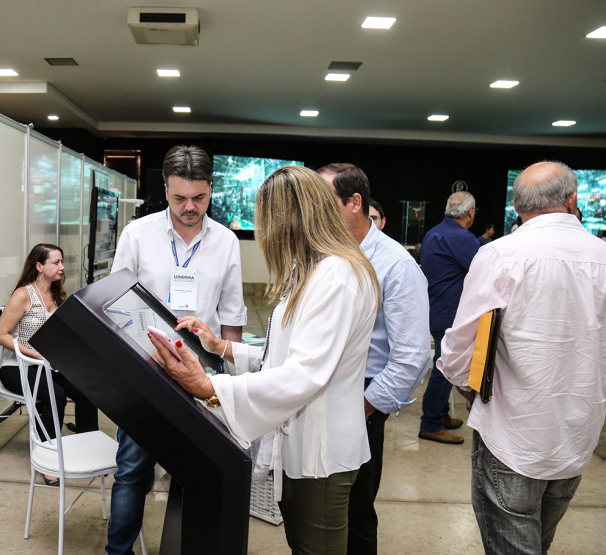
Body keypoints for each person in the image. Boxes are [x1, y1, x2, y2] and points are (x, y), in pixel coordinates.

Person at [155, 165, 380, 553]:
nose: (264, 235)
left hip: (320, 452)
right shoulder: (313, 269)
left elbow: (305, 373)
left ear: (289, 220)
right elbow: (287, 353)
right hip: (303, 443)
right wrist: (221, 347)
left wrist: (211, 387)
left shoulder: (336, 275)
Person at [438, 161, 606, 554]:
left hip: (514, 432)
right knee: (538, 540)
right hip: (578, 431)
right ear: (573, 200)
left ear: (518, 206)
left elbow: (459, 348)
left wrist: (467, 389)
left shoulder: (501, 254)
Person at [105, 145, 247, 555]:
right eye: (179, 197)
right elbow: (115, 303)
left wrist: (230, 385)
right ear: (164, 188)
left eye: (199, 198)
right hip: (144, 371)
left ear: (210, 190)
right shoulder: (138, 234)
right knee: (132, 470)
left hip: (202, 374)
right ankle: (119, 552)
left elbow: (233, 318)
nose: (189, 207)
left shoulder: (226, 241)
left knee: (201, 470)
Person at [317, 163, 430, 554]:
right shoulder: (321, 252)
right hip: (317, 390)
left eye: (323, 201)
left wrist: (365, 408)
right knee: (321, 511)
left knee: (355, 513)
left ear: (354, 202)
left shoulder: (395, 265)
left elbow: (412, 356)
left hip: (361, 398)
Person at [0, 244, 99, 481]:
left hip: (49, 366)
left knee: (87, 390)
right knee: (56, 395)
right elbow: (0, 335)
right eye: (56, 262)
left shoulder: (58, 294)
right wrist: (36, 354)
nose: (62, 267)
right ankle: (48, 460)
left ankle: (87, 446)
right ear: (39, 266)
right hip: (17, 368)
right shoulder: (23, 295)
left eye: (61, 262)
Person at [418, 191, 480, 444]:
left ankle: (441, 415)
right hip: (451, 312)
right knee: (445, 369)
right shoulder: (463, 238)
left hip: (435, 308)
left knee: (442, 364)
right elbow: (481, 272)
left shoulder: (433, 233)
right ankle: (431, 423)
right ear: (471, 213)